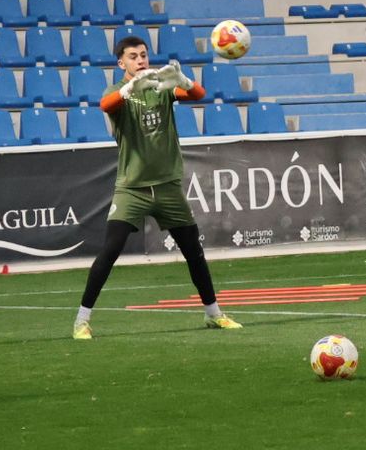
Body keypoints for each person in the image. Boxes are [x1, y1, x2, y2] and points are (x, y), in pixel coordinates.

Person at [72, 36, 242, 339]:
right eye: (133, 56)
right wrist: (128, 89)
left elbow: (199, 94)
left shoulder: (161, 88)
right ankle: (81, 321)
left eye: (143, 55)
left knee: (193, 251)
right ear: (120, 63)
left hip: (167, 187)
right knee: (110, 250)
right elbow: (105, 105)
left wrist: (183, 81)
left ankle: (213, 314)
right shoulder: (116, 92)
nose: (141, 60)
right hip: (133, 187)